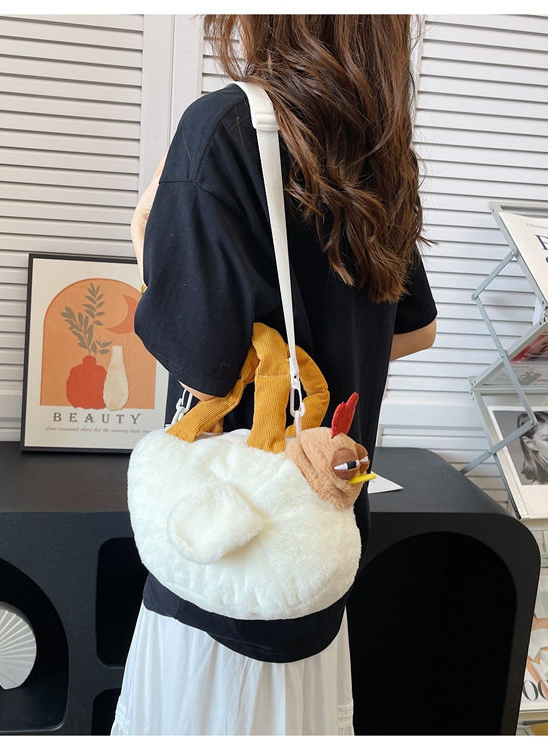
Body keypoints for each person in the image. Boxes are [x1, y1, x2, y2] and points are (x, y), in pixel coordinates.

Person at [111, 14, 437, 735]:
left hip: (233, 535)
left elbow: (204, 367)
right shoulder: (378, 147)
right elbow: (417, 331)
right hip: (320, 529)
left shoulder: (224, 128)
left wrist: (143, 232)